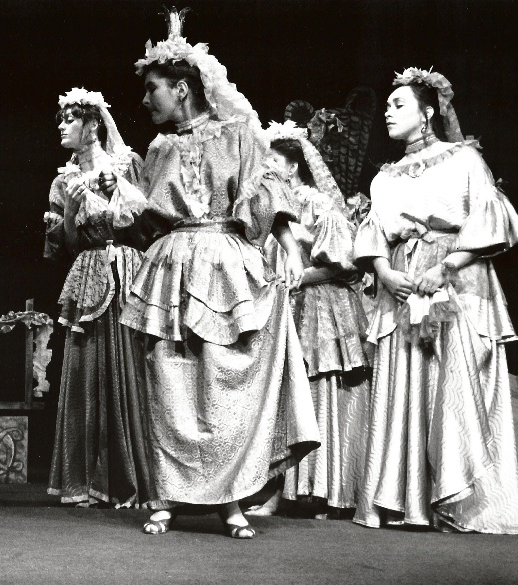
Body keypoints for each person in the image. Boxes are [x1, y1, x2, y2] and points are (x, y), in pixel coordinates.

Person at [118, 10, 320, 539]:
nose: (145, 100)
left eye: (152, 89)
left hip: (226, 262)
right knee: (169, 379)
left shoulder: (238, 135)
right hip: (171, 266)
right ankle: (168, 496)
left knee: (224, 383)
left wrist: (290, 249)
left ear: (182, 88)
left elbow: (264, 196)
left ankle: (230, 499)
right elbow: (151, 218)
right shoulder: (159, 148)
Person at [352, 68, 518, 534]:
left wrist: (445, 267)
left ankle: (461, 500)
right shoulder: (385, 177)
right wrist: (384, 271)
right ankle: (405, 500)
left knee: (452, 382)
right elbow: (374, 233)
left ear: (427, 112)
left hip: (455, 280)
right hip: (402, 283)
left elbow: (489, 222)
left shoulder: (463, 160)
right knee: (404, 380)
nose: (388, 113)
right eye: (387, 106)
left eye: (399, 105)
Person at [246, 121, 371, 519]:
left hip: (320, 306)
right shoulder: (266, 204)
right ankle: (279, 489)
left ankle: (322, 491)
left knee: (319, 393)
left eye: (274, 161)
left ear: (294, 166)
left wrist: (297, 280)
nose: (266, 167)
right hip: (282, 302)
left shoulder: (317, 204)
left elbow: (343, 263)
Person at [44, 88, 152, 507]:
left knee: (129, 368)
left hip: (128, 271)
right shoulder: (62, 181)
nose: (61, 126)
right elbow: (65, 248)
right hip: (88, 273)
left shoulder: (127, 164)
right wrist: (72, 213)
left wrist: (118, 189)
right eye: (60, 119)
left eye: (69, 119)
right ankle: (86, 480)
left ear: (92, 125)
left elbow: (148, 230)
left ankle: (132, 479)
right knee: (86, 371)